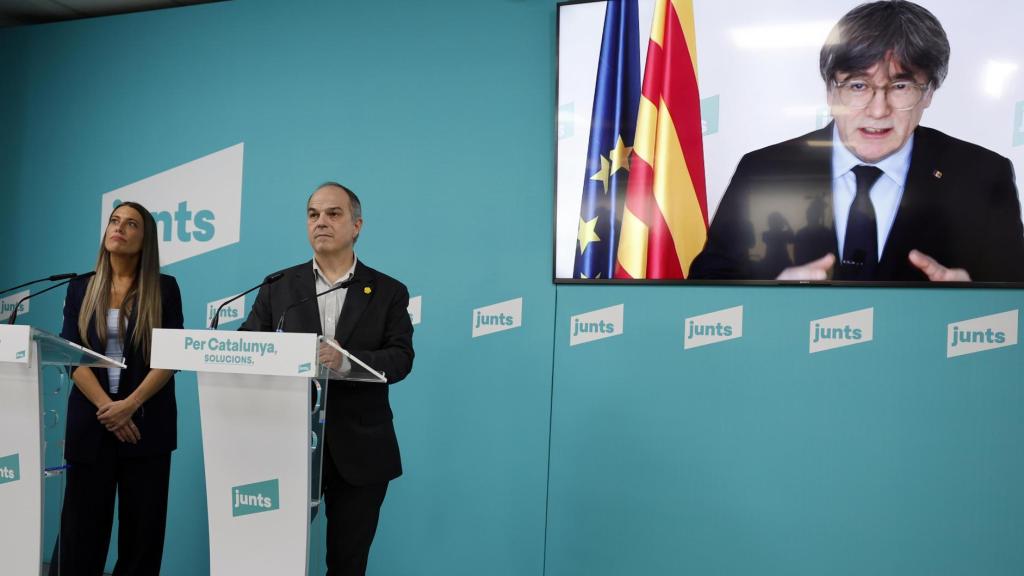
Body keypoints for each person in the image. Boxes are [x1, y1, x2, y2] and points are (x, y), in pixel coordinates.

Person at [689, 0, 1024, 282]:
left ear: (928, 93)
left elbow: (1014, 301)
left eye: (901, 87)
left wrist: (979, 300)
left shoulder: (983, 176)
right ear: (830, 91)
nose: (878, 110)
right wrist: (770, 298)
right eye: (858, 86)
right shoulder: (762, 171)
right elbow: (707, 291)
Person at [241, 181, 414, 576]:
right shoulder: (279, 285)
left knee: (347, 563)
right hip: (286, 443)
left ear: (357, 226)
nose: (321, 221)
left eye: (333, 214)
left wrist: (346, 362)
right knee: (272, 559)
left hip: (361, 450)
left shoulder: (388, 291)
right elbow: (248, 344)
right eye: (313, 214)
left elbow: (401, 359)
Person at [52, 201, 184, 575]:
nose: (119, 228)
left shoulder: (164, 288)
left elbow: (170, 357)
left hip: (145, 425)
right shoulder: (81, 287)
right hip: (92, 424)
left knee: (142, 539)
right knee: (81, 536)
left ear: (146, 239)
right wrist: (109, 409)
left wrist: (129, 405)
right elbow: (71, 355)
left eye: (130, 224)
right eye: (114, 221)